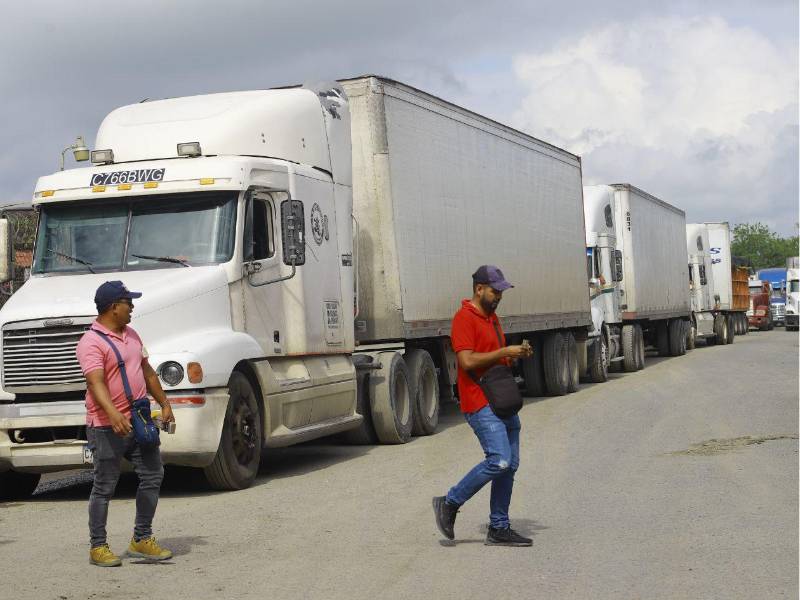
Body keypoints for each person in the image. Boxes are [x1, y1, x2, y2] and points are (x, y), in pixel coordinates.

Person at [76, 281, 175, 567]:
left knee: (153, 475)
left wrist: (165, 404)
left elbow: (147, 372)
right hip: (106, 425)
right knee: (104, 485)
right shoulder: (90, 343)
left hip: (140, 420)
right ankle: (98, 547)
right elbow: (94, 382)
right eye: (127, 302)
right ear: (112, 307)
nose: (132, 306)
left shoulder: (131, 334)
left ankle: (142, 539)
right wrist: (113, 414)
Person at [432, 265, 534, 546]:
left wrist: (513, 356)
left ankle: (499, 528)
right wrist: (504, 351)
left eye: (501, 291)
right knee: (499, 460)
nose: (499, 296)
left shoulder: (493, 319)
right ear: (479, 289)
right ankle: (449, 502)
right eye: (495, 290)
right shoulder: (464, 318)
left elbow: (492, 359)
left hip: (501, 398)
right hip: (478, 401)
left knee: (510, 464)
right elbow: (466, 362)